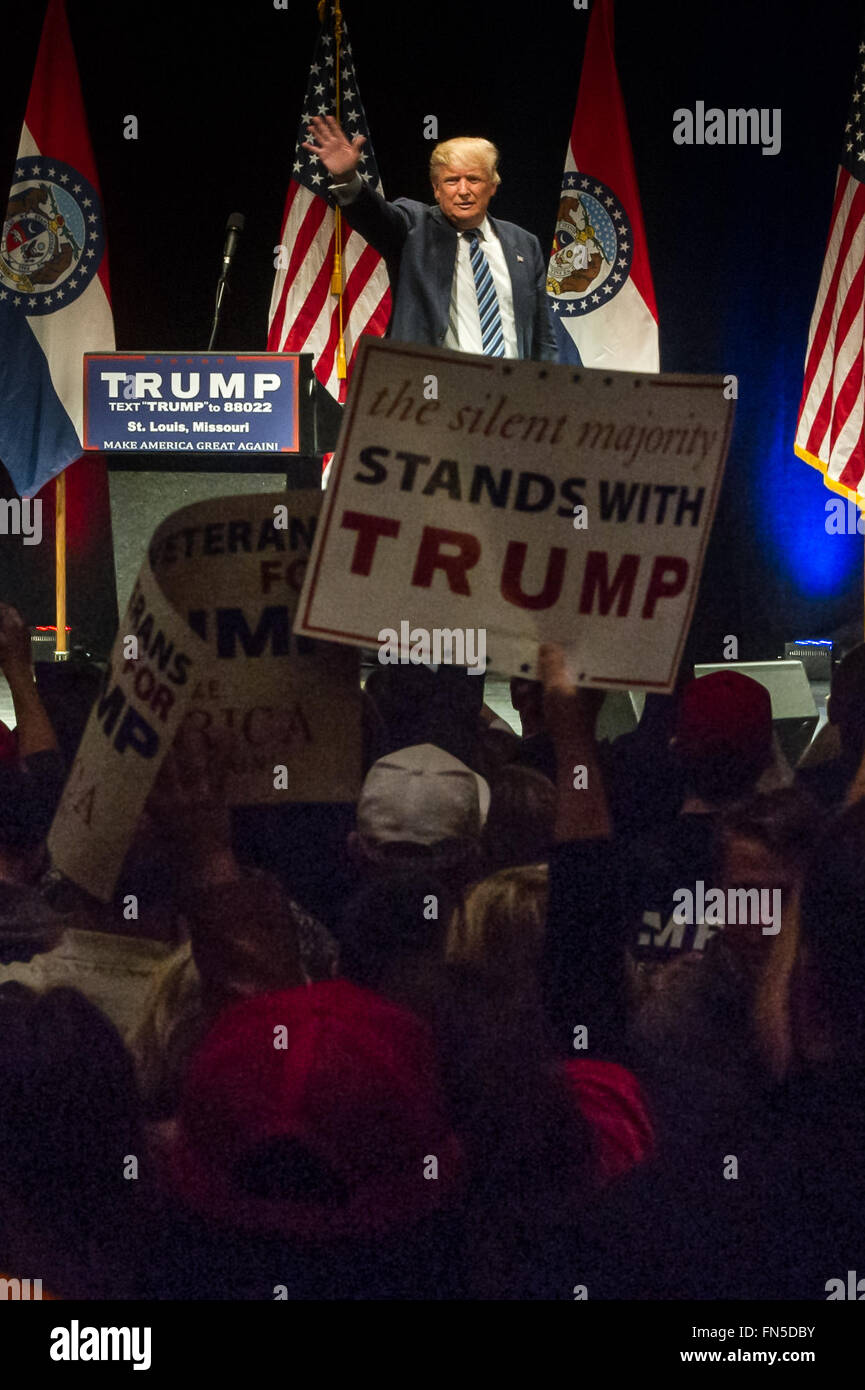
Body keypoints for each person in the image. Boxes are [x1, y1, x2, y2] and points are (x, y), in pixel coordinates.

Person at [303, 116, 558, 361]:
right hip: (433, 391)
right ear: (436, 189)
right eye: (451, 180)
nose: (463, 190)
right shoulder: (413, 228)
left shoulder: (524, 244)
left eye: (473, 179)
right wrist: (348, 179)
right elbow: (374, 216)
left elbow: (543, 339)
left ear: (492, 185)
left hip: (509, 394)